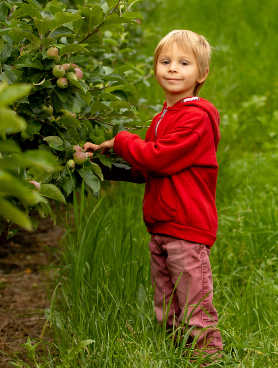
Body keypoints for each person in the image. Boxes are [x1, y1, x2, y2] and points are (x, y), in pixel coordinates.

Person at [83, 30, 223, 359]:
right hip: (161, 228)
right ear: (155, 68)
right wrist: (102, 165)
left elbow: (156, 157)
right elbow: (148, 168)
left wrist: (121, 140)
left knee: (194, 309)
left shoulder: (197, 118)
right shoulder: (163, 118)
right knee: (167, 307)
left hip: (186, 228)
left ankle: (209, 360)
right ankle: (176, 357)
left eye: (183, 62)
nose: (173, 68)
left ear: (201, 74)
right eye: (165, 61)